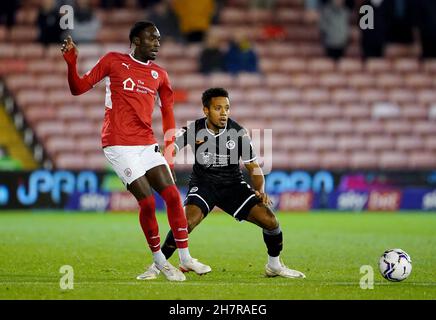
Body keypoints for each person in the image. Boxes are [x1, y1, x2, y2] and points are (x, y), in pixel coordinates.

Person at [60, 21, 210, 282]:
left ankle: (185, 258)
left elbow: (167, 112)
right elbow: (78, 88)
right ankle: (160, 261)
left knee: (174, 197)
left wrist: (170, 152)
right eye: (152, 38)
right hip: (118, 143)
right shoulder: (113, 61)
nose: (157, 43)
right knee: (148, 202)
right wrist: (72, 62)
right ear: (136, 41)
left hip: (146, 143)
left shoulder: (160, 74)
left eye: (159, 39)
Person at [139, 88, 306, 280]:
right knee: (185, 223)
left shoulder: (238, 133)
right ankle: (156, 266)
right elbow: (172, 147)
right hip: (204, 185)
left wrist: (260, 190)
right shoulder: (194, 129)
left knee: (271, 222)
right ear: (206, 110)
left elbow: (253, 167)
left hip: (232, 186)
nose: (224, 112)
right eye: (218, 108)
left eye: (227, 108)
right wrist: (164, 151)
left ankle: (274, 266)